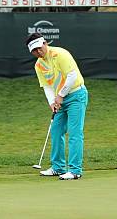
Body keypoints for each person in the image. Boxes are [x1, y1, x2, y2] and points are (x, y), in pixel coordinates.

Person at [26, 33, 88, 180]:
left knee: (74, 133)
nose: (38, 52)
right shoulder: (39, 65)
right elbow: (47, 86)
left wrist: (60, 95)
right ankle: (58, 167)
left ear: (45, 43)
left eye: (39, 48)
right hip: (59, 100)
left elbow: (72, 76)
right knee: (56, 131)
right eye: (34, 51)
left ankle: (75, 170)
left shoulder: (60, 54)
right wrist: (52, 102)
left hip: (76, 95)